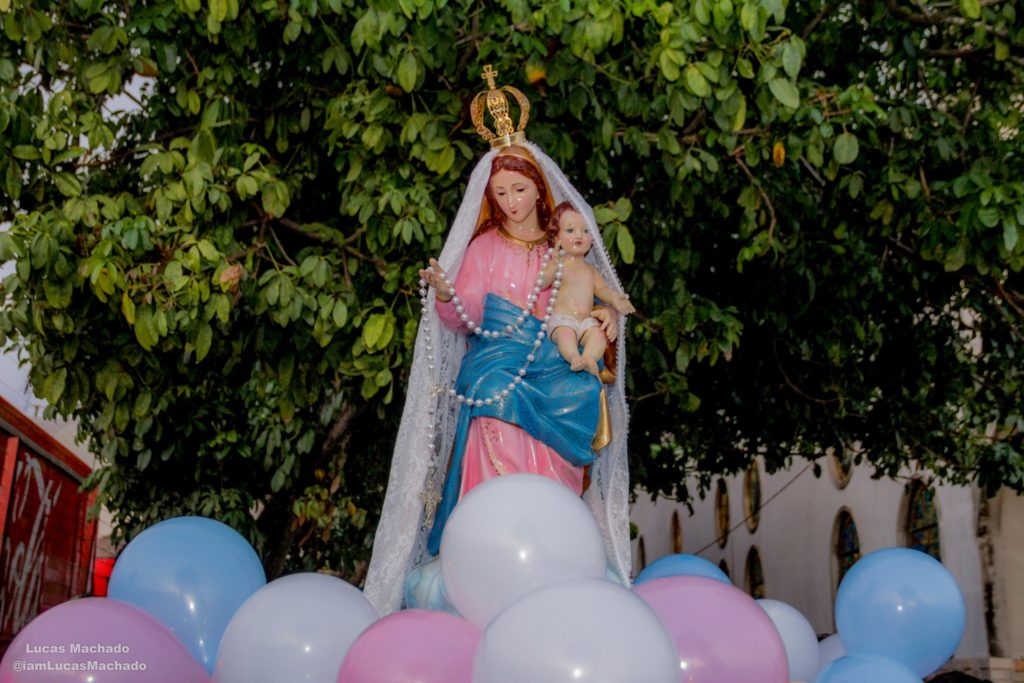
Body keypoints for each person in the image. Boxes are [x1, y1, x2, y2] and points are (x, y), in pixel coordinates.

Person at [363, 68, 632, 615]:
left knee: (579, 397)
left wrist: (606, 316)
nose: (510, 201)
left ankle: (555, 543)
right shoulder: (485, 247)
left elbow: (591, 295)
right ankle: (490, 549)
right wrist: (444, 293)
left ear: (540, 188)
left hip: (554, 365)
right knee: (491, 397)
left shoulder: (564, 246)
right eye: (500, 192)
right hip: (497, 368)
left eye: (519, 189)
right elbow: (461, 316)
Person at [543, 201, 636, 376]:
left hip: (586, 322)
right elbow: (541, 283)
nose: (579, 235)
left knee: (599, 335)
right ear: (556, 237)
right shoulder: (559, 265)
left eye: (586, 231)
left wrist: (614, 298)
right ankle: (574, 358)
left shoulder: (591, 270)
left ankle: (588, 359)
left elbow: (602, 289)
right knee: (565, 335)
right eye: (570, 230)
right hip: (562, 320)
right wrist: (552, 267)